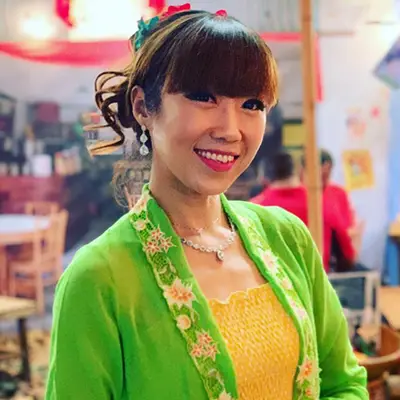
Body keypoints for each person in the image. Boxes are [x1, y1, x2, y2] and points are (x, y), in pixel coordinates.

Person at [45, 5, 367, 400]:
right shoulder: (97, 279)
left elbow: (343, 384)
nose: (230, 130)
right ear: (143, 107)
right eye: (203, 97)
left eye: (252, 104)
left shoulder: (288, 238)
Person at [251, 151, 355, 272]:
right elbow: (346, 251)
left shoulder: (255, 208)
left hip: (272, 279)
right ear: (297, 172)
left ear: (263, 179)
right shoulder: (318, 201)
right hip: (315, 276)